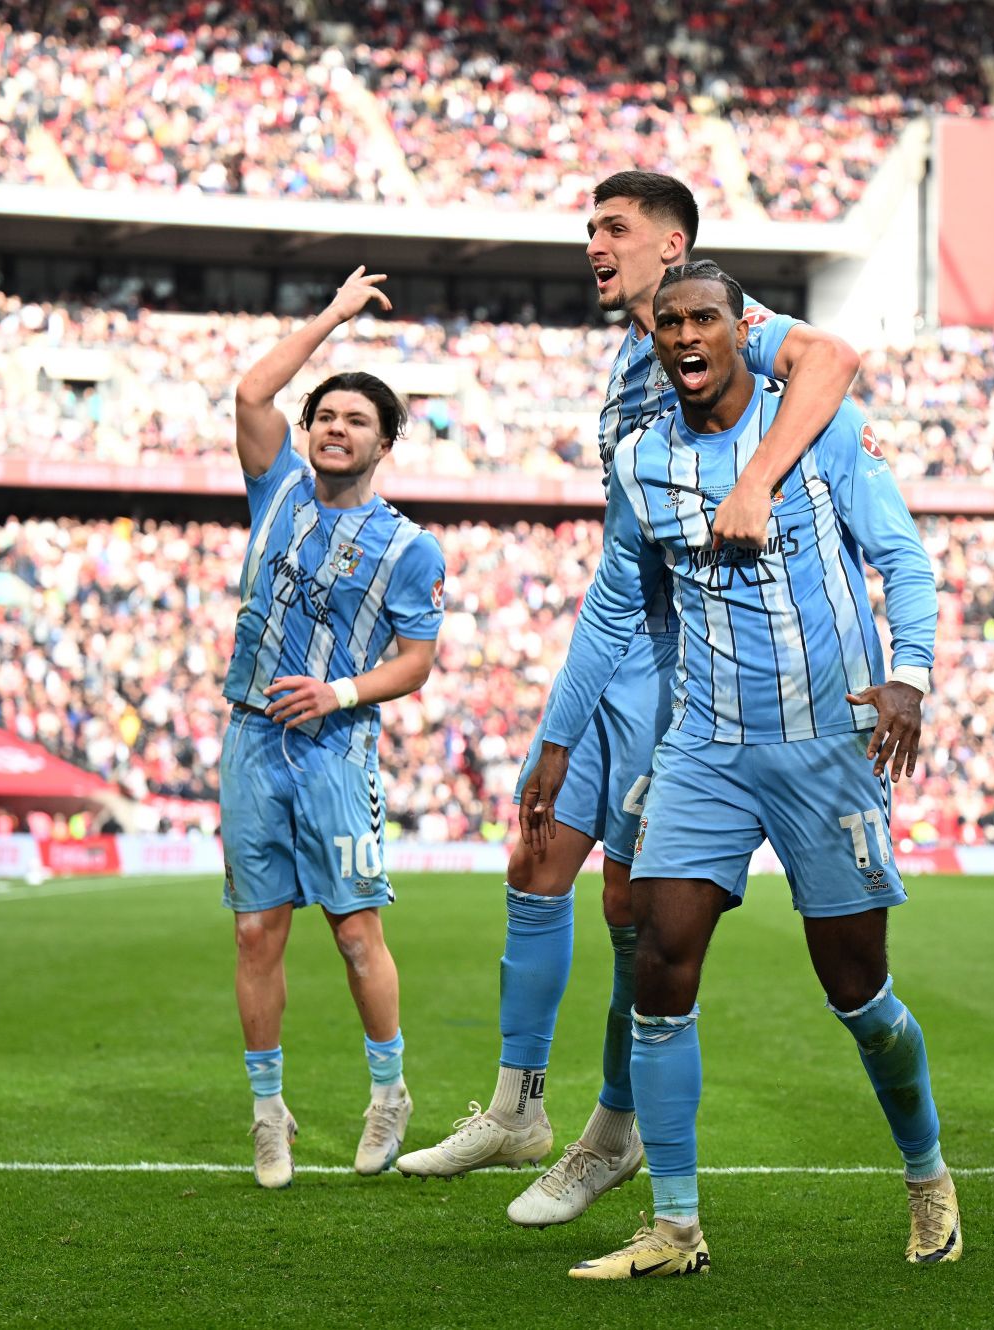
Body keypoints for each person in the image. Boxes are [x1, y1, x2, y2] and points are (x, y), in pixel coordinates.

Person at [396, 172, 861, 1232]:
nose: (594, 246)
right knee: (536, 854)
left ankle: (612, 1132)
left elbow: (830, 364)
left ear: (674, 243)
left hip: (699, 660)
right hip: (620, 643)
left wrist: (763, 480)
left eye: (614, 229)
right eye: (589, 230)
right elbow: (622, 558)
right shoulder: (629, 353)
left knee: (630, 905)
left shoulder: (731, 322)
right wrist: (560, 726)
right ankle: (515, 1109)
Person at [522, 260, 956, 1279]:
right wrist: (556, 738)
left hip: (825, 745)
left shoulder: (816, 428)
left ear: (738, 329)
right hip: (704, 747)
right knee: (658, 959)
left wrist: (911, 677)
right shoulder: (641, 460)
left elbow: (903, 557)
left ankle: (927, 1172)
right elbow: (613, 605)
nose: (683, 337)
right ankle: (675, 1227)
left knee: (857, 990)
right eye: (668, 321)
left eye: (701, 319)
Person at [222, 267, 446, 1188]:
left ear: (385, 442)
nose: (335, 430)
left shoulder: (410, 546)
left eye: (356, 421)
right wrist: (333, 317)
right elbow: (249, 391)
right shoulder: (273, 487)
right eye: (326, 418)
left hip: (333, 750)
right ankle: (268, 1112)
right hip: (249, 741)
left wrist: (342, 693)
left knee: (357, 935)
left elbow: (416, 659)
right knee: (255, 934)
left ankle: (388, 1093)